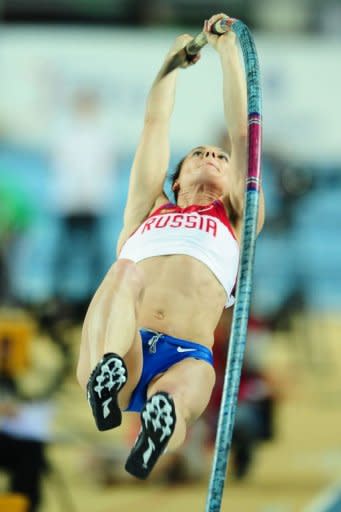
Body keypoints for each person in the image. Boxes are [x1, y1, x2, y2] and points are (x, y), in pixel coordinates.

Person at [76, 13, 265, 480]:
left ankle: (159, 430)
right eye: (199, 154)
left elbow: (243, 134)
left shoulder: (239, 220)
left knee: (185, 390)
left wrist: (226, 54)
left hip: (185, 355)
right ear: (176, 180)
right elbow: (154, 124)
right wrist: (170, 67)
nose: (212, 157)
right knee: (124, 271)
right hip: (121, 346)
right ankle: (109, 378)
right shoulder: (147, 212)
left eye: (220, 158)